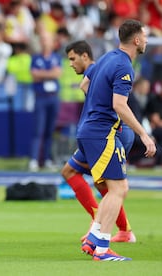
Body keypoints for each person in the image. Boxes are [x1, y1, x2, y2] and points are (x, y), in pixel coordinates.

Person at [78, 19, 156, 261]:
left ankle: (94, 238)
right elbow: (119, 105)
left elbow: (84, 84)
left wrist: (96, 107)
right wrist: (144, 134)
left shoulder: (106, 57)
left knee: (115, 188)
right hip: (101, 132)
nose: (146, 40)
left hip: (89, 129)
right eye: (145, 36)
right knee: (119, 188)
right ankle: (102, 248)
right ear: (136, 40)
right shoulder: (124, 66)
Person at [62, 40, 136, 243]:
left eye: (72, 58)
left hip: (110, 131)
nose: (71, 63)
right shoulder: (109, 64)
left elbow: (83, 85)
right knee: (81, 175)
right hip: (109, 130)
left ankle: (101, 227)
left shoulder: (97, 67)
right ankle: (122, 230)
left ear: (85, 56)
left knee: (108, 183)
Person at [28, 30, 62, 171]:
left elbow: (58, 73)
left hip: (53, 97)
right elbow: (34, 75)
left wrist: (43, 74)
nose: (44, 42)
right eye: (42, 40)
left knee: (50, 130)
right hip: (41, 97)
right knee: (38, 130)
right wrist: (49, 74)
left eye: (47, 39)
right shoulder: (35, 58)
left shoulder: (56, 57)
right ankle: (34, 159)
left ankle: (47, 158)